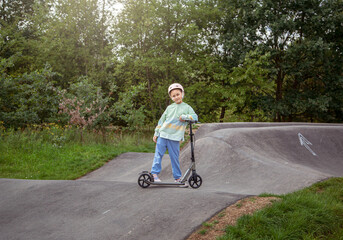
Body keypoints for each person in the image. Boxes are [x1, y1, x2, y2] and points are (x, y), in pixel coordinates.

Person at [151, 83, 198, 184]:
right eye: (173, 96)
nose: (176, 97)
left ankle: (177, 177)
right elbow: (161, 121)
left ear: (182, 94)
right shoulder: (169, 108)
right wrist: (156, 133)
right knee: (158, 155)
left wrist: (185, 117)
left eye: (178, 94)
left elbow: (195, 117)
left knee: (174, 158)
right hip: (163, 135)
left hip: (175, 137)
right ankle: (154, 174)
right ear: (171, 97)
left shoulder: (187, 107)